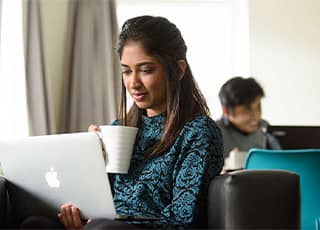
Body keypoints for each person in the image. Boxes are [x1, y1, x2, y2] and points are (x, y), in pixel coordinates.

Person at [22, 16, 224, 229]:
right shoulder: (120, 129)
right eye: (126, 71)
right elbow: (99, 202)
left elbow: (184, 220)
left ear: (179, 70)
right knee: (35, 223)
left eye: (146, 70)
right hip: (102, 225)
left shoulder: (199, 132)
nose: (133, 83)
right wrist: (90, 161)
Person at [216, 77, 281, 170]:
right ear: (227, 111)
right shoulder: (213, 133)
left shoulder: (265, 128)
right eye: (248, 109)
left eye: (258, 107)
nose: (256, 116)